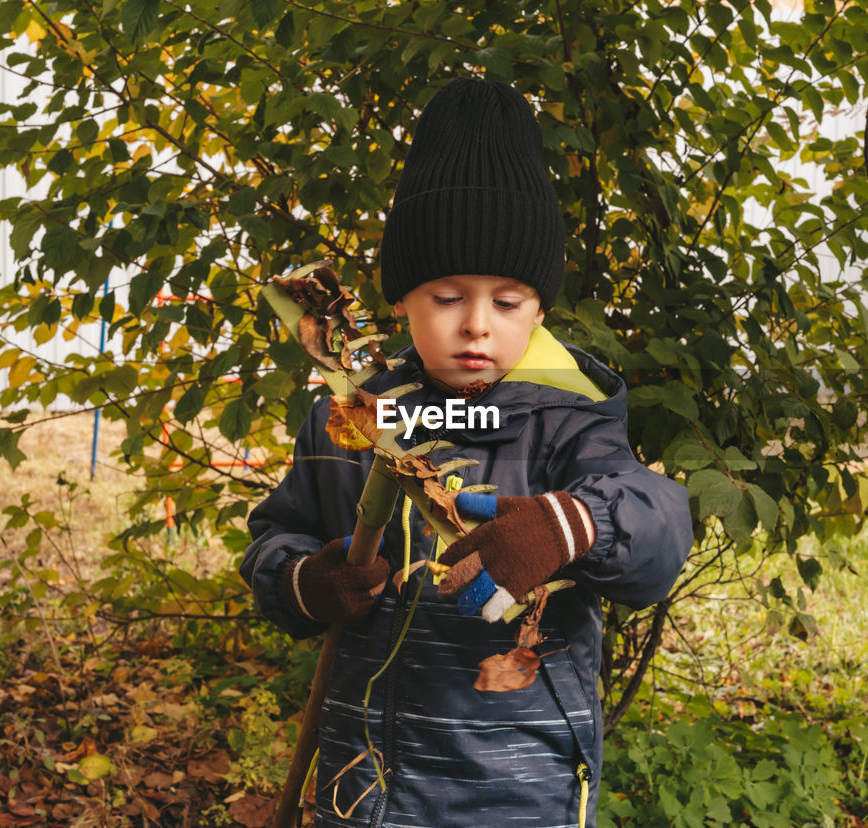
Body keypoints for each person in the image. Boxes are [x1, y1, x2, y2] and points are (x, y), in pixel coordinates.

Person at [242, 76, 692, 828]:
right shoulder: (355, 419)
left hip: (517, 791)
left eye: (507, 302)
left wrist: (570, 525)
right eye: (448, 298)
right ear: (402, 300)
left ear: (541, 307)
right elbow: (277, 534)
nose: (477, 326)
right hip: (364, 789)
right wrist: (304, 583)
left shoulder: (569, 420)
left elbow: (658, 524)